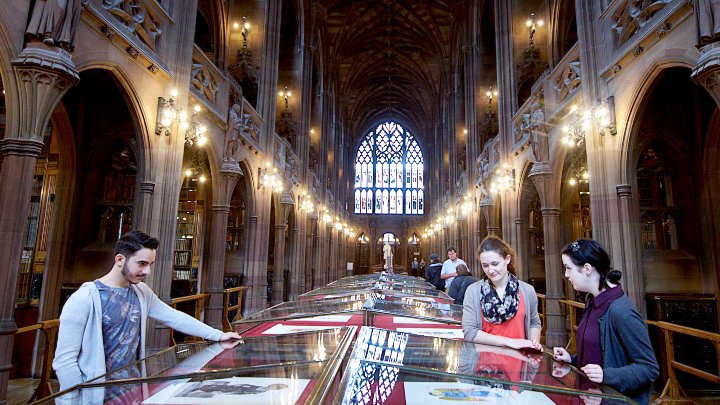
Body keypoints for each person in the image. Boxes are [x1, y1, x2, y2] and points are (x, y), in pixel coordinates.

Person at [53, 231, 241, 391]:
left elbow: (174, 318)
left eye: (150, 264)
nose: (147, 271)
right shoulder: (84, 299)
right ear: (120, 259)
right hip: (96, 394)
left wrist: (217, 335)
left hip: (133, 389)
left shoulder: (141, 292)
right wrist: (71, 401)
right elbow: (65, 361)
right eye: (142, 263)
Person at [552, 239, 658, 404]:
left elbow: (649, 368)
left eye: (568, 268)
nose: (566, 275)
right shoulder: (592, 301)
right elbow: (598, 353)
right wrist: (572, 359)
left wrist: (606, 375)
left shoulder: (621, 310)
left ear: (587, 269)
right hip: (589, 396)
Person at [462, 236, 542, 351]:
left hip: (519, 361)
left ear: (507, 259)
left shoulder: (527, 290)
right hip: (485, 363)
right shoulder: (473, 291)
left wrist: (533, 344)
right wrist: (509, 342)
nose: (490, 270)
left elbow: (534, 323)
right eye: (485, 265)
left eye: (495, 264)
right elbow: (470, 332)